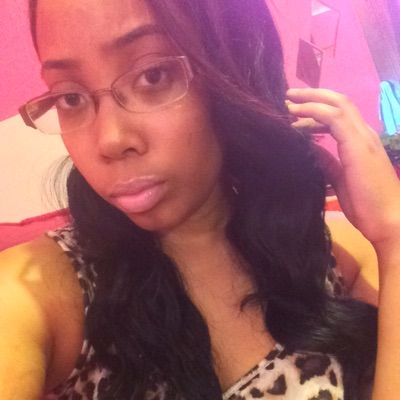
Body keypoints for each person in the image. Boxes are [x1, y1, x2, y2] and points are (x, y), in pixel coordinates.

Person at [1, 0, 400, 398]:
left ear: (234, 71)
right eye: (70, 97)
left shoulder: (333, 255)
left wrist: (394, 237)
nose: (110, 140)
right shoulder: (34, 292)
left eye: (153, 75)